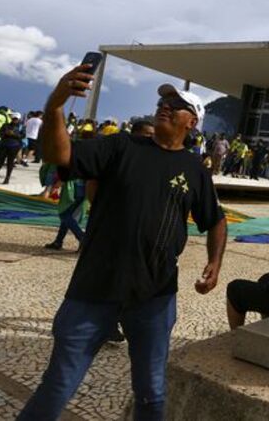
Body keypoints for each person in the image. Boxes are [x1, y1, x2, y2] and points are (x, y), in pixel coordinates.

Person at [18, 69, 227, 420]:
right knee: (58, 384)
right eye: (163, 101)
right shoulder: (121, 147)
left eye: (175, 104)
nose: (164, 106)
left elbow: (216, 219)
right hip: (93, 289)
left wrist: (215, 262)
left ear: (191, 122)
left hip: (154, 297)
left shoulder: (193, 168)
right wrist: (55, 106)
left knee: (151, 393)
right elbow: (61, 154)